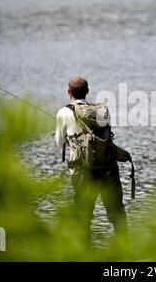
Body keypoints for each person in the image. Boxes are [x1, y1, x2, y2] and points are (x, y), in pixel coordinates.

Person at [55, 77, 127, 243]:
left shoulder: (63, 112)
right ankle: (126, 251)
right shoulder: (101, 111)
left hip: (83, 171)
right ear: (87, 92)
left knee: (83, 215)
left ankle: (85, 253)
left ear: (69, 93)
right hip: (108, 168)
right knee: (117, 212)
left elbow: (60, 145)